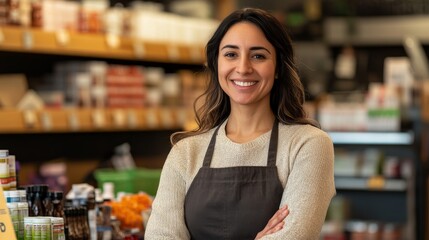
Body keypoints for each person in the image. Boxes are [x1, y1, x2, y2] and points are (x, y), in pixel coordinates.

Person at [145, 7, 335, 240]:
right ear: (216, 64)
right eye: (231, 54)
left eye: (258, 56)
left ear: (277, 68)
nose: (243, 68)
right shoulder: (185, 152)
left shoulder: (307, 145)